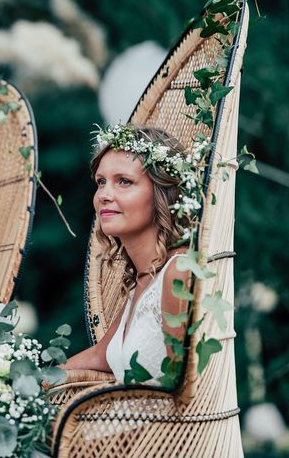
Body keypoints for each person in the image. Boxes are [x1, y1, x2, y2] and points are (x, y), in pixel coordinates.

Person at [64, 124, 192, 383]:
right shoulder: (145, 278)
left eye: (124, 181)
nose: (104, 195)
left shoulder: (178, 273)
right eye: (101, 182)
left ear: (163, 193)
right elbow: (100, 357)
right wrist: (21, 385)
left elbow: (186, 390)